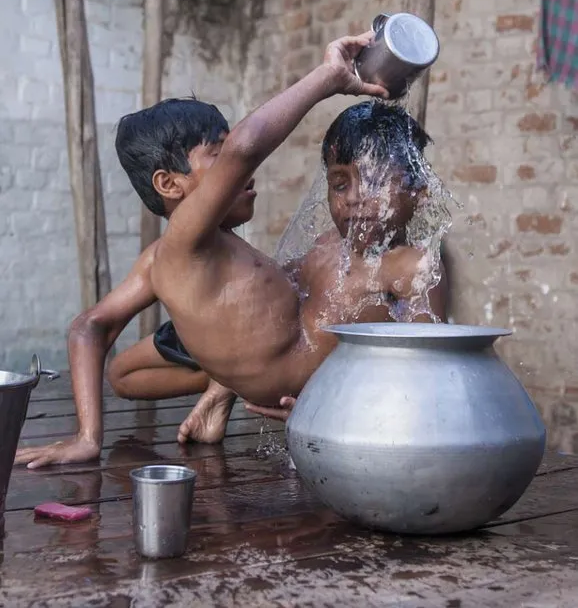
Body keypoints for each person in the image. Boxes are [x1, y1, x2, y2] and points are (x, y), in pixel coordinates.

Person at [15, 31, 388, 469]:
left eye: (230, 152)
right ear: (170, 185)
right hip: (293, 383)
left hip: (267, 357)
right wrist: (328, 78)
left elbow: (89, 325)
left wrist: (89, 435)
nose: (239, 168)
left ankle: (219, 387)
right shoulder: (183, 242)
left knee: (121, 373)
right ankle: (222, 380)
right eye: (219, 154)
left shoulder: (166, 255)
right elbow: (248, 147)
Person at [245, 101, 449, 422]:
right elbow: (268, 308)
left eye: (374, 180)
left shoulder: (411, 266)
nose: (353, 197)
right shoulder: (325, 249)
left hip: (355, 422)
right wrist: (222, 386)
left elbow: (424, 374)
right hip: (285, 401)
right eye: (340, 184)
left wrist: (330, 413)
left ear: (418, 193)